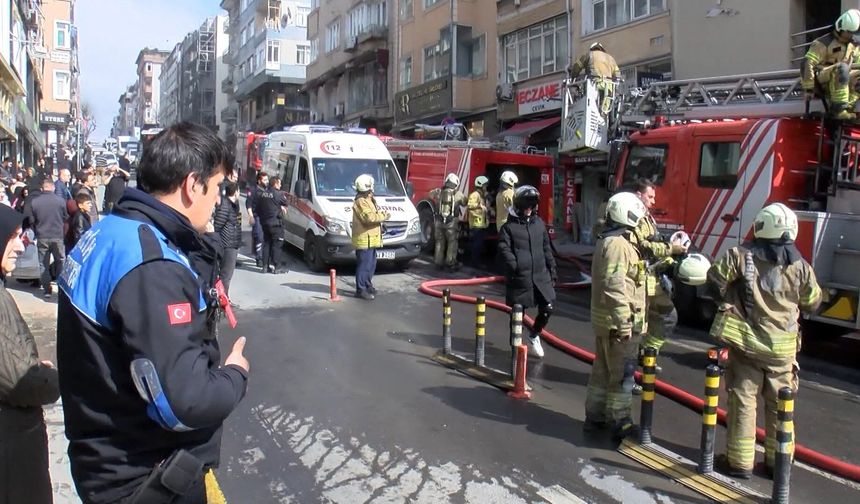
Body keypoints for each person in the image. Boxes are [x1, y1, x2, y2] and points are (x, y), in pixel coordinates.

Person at [56, 122, 250, 503]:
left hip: (103, 464)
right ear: (192, 185)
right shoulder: (152, 266)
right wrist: (235, 375)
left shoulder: (110, 231)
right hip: (143, 477)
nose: (218, 202)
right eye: (216, 188)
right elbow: (185, 402)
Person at [708, 203, 821, 479]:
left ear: (761, 226)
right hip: (783, 353)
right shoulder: (801, 267)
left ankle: (739, 463)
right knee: (781, 407)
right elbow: (813, 302)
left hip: (747, 347)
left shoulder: (740, 256)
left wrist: (733, 297)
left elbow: (714, 281)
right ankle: (778, 464)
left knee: (744, 402)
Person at [0, 205, 60, 504]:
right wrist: (49, 378)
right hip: (12, 447)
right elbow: (20, 382)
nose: (20, 245)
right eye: (11, 237)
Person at [584, 191, 647, 440]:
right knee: (622, 376)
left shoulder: (607, 240)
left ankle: (595, 416)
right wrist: (624, 323)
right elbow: (615, 286)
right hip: (618, 325)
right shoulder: (619, 245)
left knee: (601, 373)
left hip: (605, 323)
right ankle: (620, 422)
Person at [634, 180, 687, 370]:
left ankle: (647, 353)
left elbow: (653, 252)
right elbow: (643, 247)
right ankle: (628, 367)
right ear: (638, 195)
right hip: (637, 281)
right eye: (650, 196)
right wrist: (671, 249)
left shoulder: (648, 218)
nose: (653, 201)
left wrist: (671, 261)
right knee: (637, 326)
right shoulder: (634, 218)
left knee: (669, 316)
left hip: (651, 281)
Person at [498, 185, 556, 358]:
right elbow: (504, 250)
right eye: (526, 206)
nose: (529, 210)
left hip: (540, 276)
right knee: (517, 314)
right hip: (519, 278)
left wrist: (552, 269)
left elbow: (546, 248)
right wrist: (515, 266)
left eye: (532, 206)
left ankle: (534, 335)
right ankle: (515, 348)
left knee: (547, 307)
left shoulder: (539, 224)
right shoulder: (508, 228)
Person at [802, 9, 860, 120]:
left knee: (847, 70)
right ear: (841, 29)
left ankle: (848, 107)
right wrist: (809, 89)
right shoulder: (823, 43)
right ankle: (838, 109)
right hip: (823, 79)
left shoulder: (854, 45)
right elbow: (807, 63)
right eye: (849, 32)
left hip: (843, 79)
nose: (852, 35)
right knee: (842, 67)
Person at [23, 178, 68, 298]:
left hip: (42, 235)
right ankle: (60, 287)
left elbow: (31, 220)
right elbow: (65, 217)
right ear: (53, 187)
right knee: (60, 261)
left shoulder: (35, 202)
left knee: (43, 264)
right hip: (57, 235)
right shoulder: (60, 201)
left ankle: (47, 290)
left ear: (42, 188)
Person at [352, 174, 390, 300]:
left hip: (371, 239)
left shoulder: (369, 199)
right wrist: (384, 216)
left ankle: (367, 285)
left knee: (371, 264)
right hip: (364, 240)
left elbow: (374, 214)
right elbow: (369, 218)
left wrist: (380, 225)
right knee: (364, 265)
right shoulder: (360, 201)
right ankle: (360, 289)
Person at [569, 42, 622, 116]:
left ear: (592, 49)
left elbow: (576, 67)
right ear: (602, 49)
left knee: (590, 106)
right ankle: (603, 116)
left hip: (593, 84)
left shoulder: (589, 55)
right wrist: (616, 86)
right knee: (604, 109)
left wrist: (573, 77)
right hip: (608, 86)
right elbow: (617, 74)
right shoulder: (610, 58)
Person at [429, 173, 466, 271]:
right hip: (451, 223)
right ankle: (450, 263)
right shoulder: (458, 194)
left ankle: (438, 263)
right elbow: (465, 202)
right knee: (452, 243)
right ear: (456, 184)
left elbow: (430, 195)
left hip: (439, 222)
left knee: (439, 242)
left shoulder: (439, 192)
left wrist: (436, 191)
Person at [253, 176, 288, 274]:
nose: (280, 185)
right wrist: (282, 207)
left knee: (266, 244)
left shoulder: (262, 194)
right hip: (276, 224)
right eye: (279, 183)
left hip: (265, 223)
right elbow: (286, 203)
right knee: (277, 245)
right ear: (275, 184)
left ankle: (265, 266)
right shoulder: (279, 194)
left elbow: (257, 208)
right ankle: (277, 267)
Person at [214, 180, 242, 295]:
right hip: (227, 244)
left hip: (232, 243)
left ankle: (224, 297)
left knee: (227, 275)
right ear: (236, 192)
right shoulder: (226, 205)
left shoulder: (233, 205)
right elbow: (217, 225)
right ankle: (222, 300)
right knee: (225, 276)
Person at [245, 172, 268, 268]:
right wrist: (251, 216)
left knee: (266, 238)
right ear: (259, 181)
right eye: (264, 180)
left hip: (267, 217)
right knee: (259, 236)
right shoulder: (253, 190)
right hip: (257, 216)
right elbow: (248, 204)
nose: (267, 181)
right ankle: (259, 258)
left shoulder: (268, 190)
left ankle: (265, 257)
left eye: (267, 179)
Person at [467, 175, 490, 267]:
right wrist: (481, 207)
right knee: (477, 244)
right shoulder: (475, 195)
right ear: (481, 185)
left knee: (479, 244)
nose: (486, 187)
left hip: (481, 224)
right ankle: (475, 263)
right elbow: (470, 207)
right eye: (485, 185)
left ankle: (476, 261)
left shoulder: (481, 196)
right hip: (476, 224)